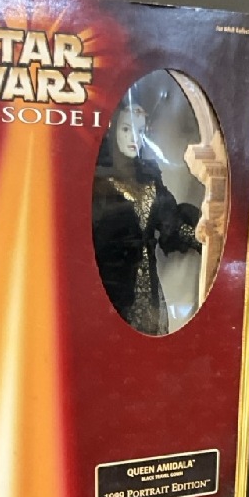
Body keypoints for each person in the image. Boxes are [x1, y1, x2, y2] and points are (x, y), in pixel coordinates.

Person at [92, 94, 202, 336]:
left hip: (148, 290)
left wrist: (203, 237)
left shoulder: (149, 178)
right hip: (109, 288)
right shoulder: (96, 181)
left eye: (140, 131)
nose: (134, 138)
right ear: (112, 130)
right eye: (126, 129)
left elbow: (171, 222)